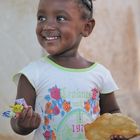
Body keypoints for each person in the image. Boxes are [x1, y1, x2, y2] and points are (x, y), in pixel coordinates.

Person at [10, 0, 128, 140]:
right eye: (41, 18)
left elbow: (112, 111)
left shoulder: (100, 74)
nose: (47, 26)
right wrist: (21, 123)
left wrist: (118, 131)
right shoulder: (31, 74)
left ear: (86, 27)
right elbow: (16, 116)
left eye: (60, 18)